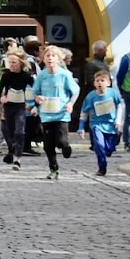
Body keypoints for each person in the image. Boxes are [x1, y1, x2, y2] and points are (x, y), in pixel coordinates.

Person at [30, 45, 80, 180]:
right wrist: (37, 98)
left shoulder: (65, 75)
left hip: (61, 114)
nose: (50, 58)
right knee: (48, 145)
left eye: (53, 56)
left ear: (59, 59)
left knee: (61, 141)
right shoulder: (42, 75)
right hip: (46, 115)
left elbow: (75, 91)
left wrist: (70, 103)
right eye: (48, 56)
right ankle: (53, 169)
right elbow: (35, 91)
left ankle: (66, 147)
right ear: (43, 59)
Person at [78, 70, 123, 176]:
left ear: (108, 83)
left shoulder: (112, 93)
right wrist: (81, 127)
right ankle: (102, 168)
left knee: (109, 148)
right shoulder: (91, 96)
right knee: (99, 145)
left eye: (102, 80)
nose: (100, 83)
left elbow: (119, 105)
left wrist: (118, 120)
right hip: (96, 124)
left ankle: (114, 142)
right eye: (97, 81)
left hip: (111, 125)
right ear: (94, 83)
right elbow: (84, 112)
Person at [0, 49, 35, 170]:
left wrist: (33, 104)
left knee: (19, 131)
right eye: (10, 62)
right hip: (8, 106)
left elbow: (36, 90)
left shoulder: (26, 76)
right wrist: (2, 98)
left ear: (21, 63)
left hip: (20, 107)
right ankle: (11, 150)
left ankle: (17, 159)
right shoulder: (6, 76)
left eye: (14, 62)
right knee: (10, 131)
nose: (11, 65)